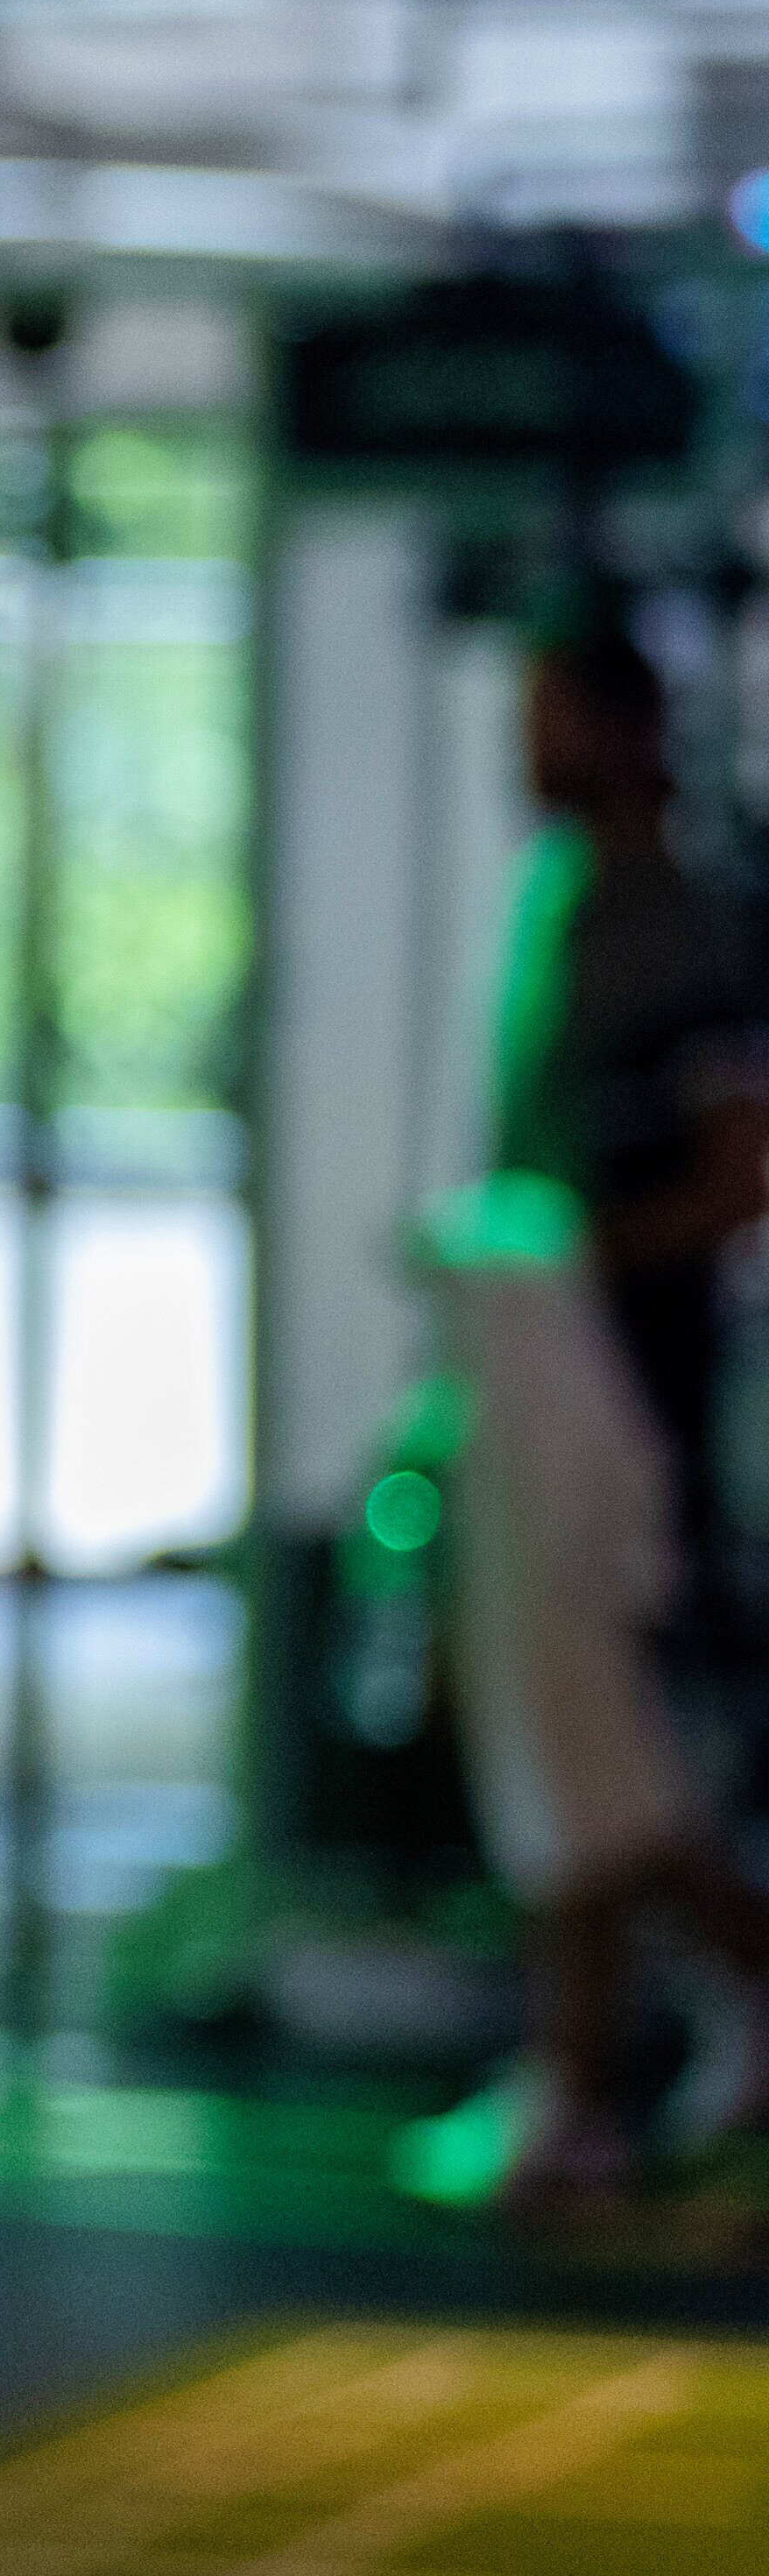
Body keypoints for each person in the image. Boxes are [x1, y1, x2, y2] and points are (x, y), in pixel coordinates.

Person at [443, 611, 769, 2207]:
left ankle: (594, 2071)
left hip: (618, 1397)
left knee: (600, 1743)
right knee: (571, 1739)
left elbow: (736, 1170)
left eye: (553, 713)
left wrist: (580, 1267)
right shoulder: (565, 905)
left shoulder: (668, 921)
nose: (528, 749)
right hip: (545, 1373)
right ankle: (578, 2070)